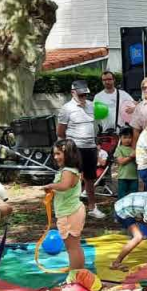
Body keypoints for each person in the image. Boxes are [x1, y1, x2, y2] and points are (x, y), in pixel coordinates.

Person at [57, 80, 105, 220]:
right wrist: (63, 149)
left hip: (90, 147)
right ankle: (70, 208)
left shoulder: (92, 106)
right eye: (81, 94)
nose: (83, 97)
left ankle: (92, 207)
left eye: (85, 94)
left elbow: (94, 127)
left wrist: (97, 144)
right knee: (72, 178)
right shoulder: (66, 109)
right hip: (74, 148)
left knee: (90, 178)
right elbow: (61, 132)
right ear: (73, 93)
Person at [41, 139, 87, 271]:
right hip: (73, 211)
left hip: (69, 213)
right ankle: (80, 273)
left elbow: (64, 186)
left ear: (69, 154)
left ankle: (73, 277)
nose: (55, 157)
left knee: (72, 248)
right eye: (54, 154)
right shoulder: (73, 170)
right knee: (76, 246)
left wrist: (50, 186)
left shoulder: (67, 171)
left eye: (58, 154)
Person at [113, 127, 138, 198]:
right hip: (123, 177)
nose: (127, 140)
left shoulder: (134, 148)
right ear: (120, 138)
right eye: (125, 137)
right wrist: (131, 156)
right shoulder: (119, 149)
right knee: (122, 196)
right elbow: (121, 161)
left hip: (134, 177)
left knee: (133, 196)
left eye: (130, 137)